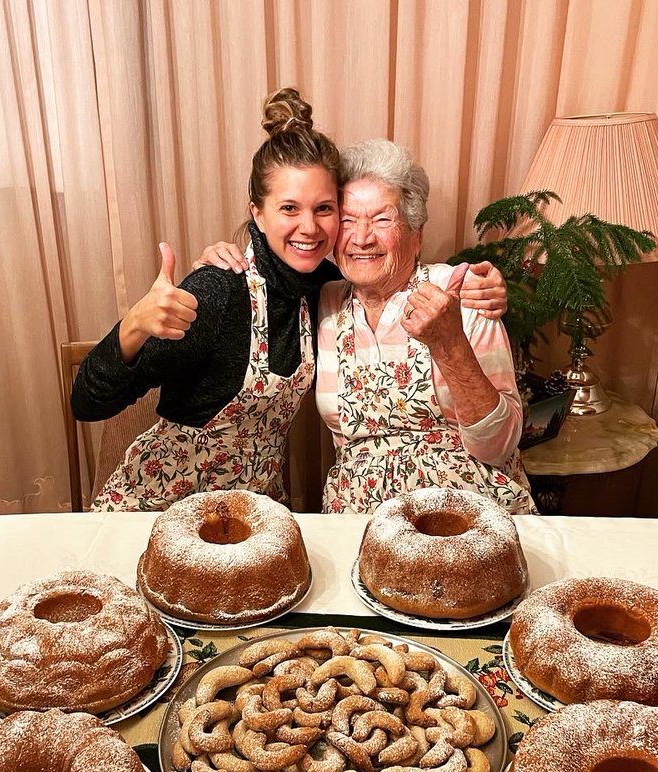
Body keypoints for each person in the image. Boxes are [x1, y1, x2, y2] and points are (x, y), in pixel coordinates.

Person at [73, 89, 505, 512]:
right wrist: (133, 324)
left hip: (257, 511)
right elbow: (87, 404)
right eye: (289, 209)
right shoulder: (219, 291)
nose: (310, 228)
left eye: (324, 209)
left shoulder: (326, 285)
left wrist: (483, 288)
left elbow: (388, 269)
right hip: (164, 505)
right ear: (257, 213)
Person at [201, 139, 535, 514]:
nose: (362, 238)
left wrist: (450, 344)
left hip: (468, 508)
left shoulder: (459, 295)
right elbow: (272, 269)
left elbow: (501, 445)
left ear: (416, 233)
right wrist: (222, 262)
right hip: (357, 517)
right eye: (347, 221)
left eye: (382, 219)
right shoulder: (320, 298)